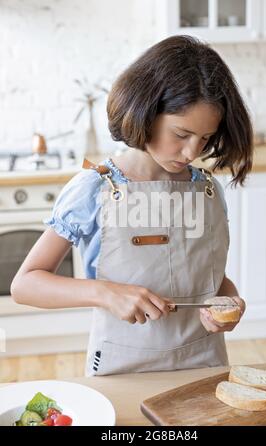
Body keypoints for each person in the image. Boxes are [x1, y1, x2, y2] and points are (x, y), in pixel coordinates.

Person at [11, 35, 253, 376]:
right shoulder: (95, 187)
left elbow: (210, 277)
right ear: (146, 112)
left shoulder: (209, 190)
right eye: (181, 134)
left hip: (204, 367)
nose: (192, 152)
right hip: (121, 368)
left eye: (205, 138)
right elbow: (24, 284)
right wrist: (106, 294)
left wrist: (230, 302)